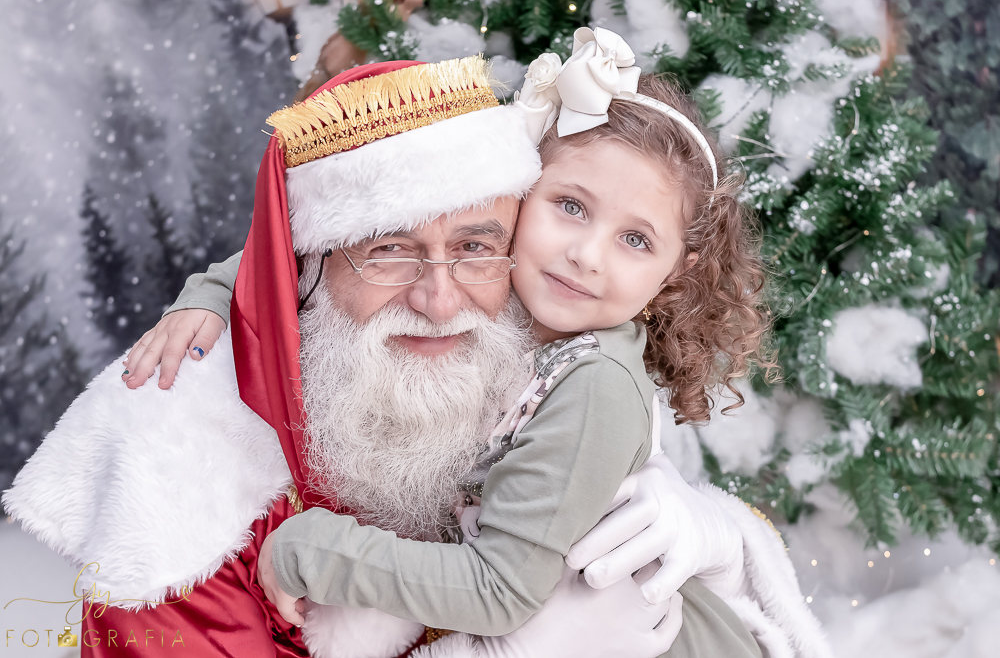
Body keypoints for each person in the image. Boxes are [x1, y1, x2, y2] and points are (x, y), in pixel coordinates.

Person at [6, 53, 829, 658]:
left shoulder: (544, 322)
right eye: (390, 251)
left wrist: (720, 530)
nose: (441, 298)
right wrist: (215, 288)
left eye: (475, 244)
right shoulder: (182, 473)